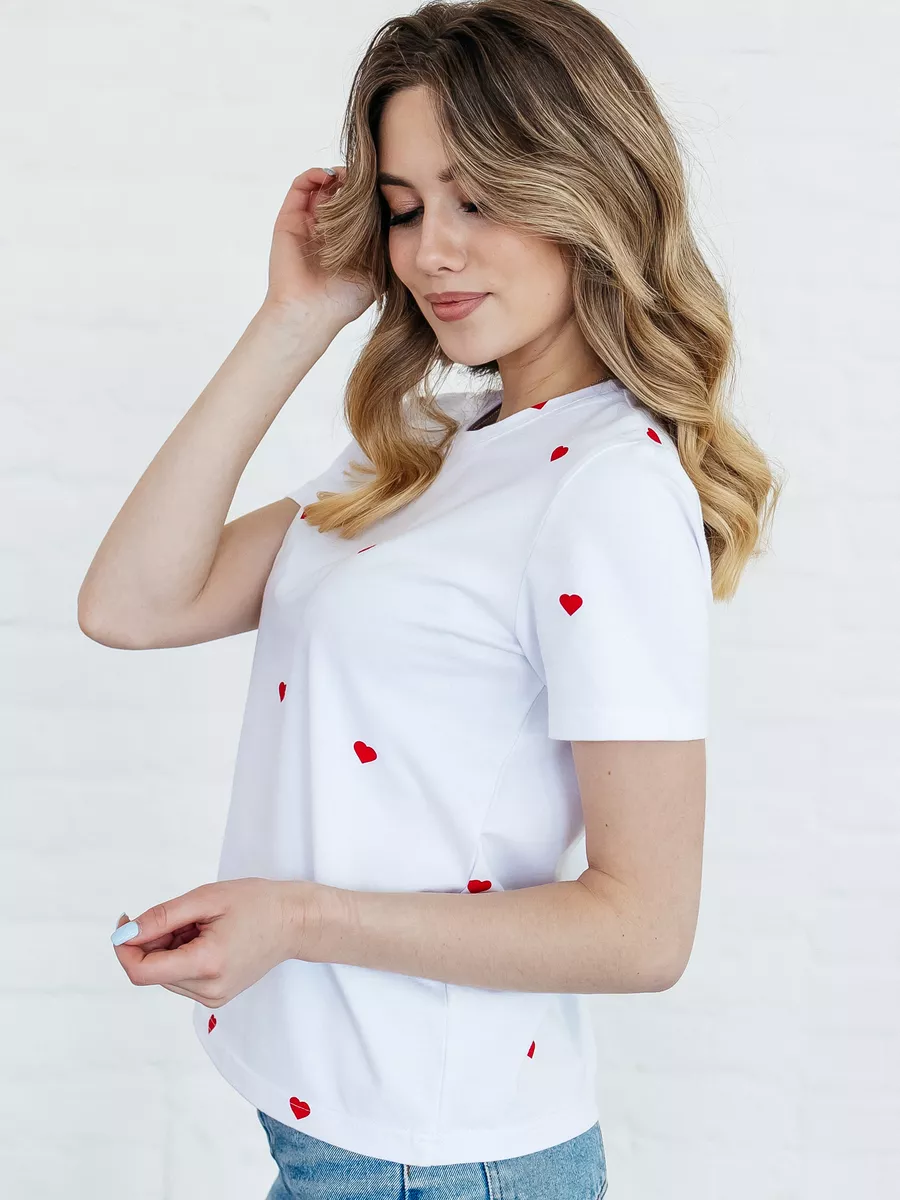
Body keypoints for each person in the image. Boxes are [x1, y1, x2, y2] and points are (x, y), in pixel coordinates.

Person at [82, 1, 784, 1196]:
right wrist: (296, 316)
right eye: (404, 209)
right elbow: (133, 604)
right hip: (339, 1133)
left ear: (586, 188)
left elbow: (644, 929)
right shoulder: (436, 442)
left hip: (440, 1161)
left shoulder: (607, 489)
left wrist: (302, 921)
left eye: (478, 200)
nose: (429, 254)